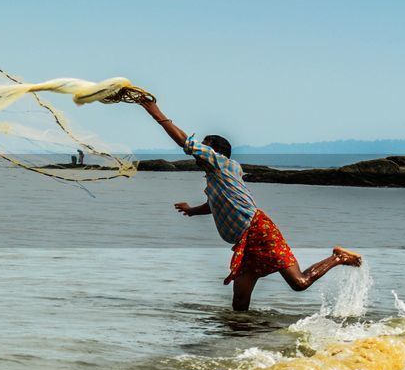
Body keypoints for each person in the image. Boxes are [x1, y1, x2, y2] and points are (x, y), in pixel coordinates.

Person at [137, 97, 362, 310]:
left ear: (214, 151)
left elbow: (185, 143)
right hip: (245, 242)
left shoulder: (222, 163)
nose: (199, 154)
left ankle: (339, 257)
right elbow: (213, 205)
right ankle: (241, 343)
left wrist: (154, 111)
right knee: (240, 303)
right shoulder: (219, 177)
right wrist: (192, 211)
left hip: (258, 231)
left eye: (204, 147)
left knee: (299, 283)